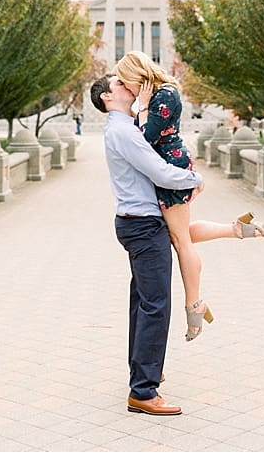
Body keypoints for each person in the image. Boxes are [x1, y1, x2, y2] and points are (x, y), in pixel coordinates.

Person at [115, 51, 264, 342]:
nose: (127, 90)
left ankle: (195, 304)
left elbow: (144, 141)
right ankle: (239, 229)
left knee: (179, 241)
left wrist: (143, 107)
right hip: (168, 171)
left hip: (171, 173)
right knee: (176, 234)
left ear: (137, 75)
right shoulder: (159, 97)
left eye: (126, 83)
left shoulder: (164, 96)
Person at [90, 73, 203, 416]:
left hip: (134, 223)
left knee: (142, 303)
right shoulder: (123, 130)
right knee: (156, 305)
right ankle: (143, 391)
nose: (127, 85)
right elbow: (159, 171)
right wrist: (195, 178)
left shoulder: (123, 127)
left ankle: (144, 372)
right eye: (119, 84)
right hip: (143, 225)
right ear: (108, 98)